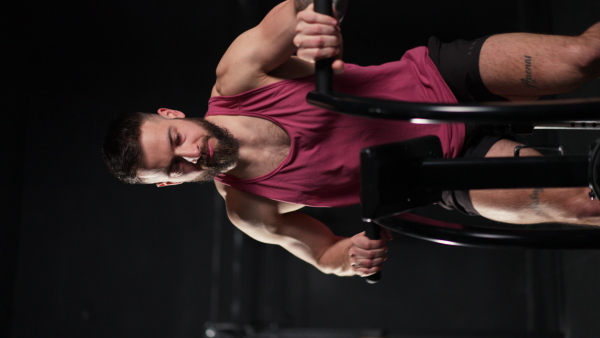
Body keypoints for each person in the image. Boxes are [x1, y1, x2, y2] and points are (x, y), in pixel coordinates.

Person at [102, 0, 600, 277]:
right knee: (583, 206)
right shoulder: (249, 209)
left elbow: (302, 7)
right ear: (167, 185)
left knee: (579, 59)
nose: (190, 153)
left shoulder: (238, 77)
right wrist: (353, 257)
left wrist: (320, 22)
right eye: (173, 166)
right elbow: (324, 254)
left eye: (175, 137)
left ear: (174, 113)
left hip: (436, 85)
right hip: (446, 169)